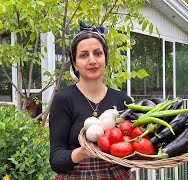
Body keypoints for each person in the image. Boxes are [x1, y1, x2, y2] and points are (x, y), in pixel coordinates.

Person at [48, 22, 133, 179]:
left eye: (98, 53)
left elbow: (132, 148)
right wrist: (84, 152)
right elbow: (56, 160)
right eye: (84, 55)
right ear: (74, 63)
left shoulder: (122, 100)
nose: (92, 60)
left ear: (106, 59)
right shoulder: (64, 99)